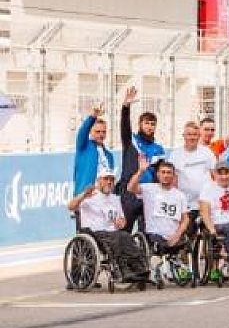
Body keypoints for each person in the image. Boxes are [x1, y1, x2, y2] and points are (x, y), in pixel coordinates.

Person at [66, 167, 150, 284]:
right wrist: (83, 195)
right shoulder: (90, 196)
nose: (109, 182)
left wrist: (121, 222)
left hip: (112, 232)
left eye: (111, 180)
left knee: (126, 236)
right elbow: (70, 206)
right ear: (99, 181)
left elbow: (122, 220)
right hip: (94, 232)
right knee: (117, 237)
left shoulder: (115, 199)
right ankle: (123, 269)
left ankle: (138, 268)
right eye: (106, 179)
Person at [127, 156, 191, 283]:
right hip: (154, 234)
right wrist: (140, 171)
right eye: (163, 172)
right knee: (157, 245)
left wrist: (177, 235)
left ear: (173, 175)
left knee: (185, 242)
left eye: (169, 173)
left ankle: (176, 264)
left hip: (174, 235)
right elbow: (130, 188)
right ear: (158, 174)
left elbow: (185, 219)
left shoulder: (180, 195)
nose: (166, 175)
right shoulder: (149, 189)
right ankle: (156, 266)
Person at [118, 86, 166, 229]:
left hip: (149, 193)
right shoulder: (131, 140)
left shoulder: (158, 149)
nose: (150, 127)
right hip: (130, 191)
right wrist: (126, 107)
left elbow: (160, 174)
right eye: (146, 123)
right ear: (140, 124)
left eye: (153, 124)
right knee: (124, 231)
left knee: (147, 232)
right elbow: (124, 126)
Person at [169, 121, 217, 214]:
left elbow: (215, 175)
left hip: (206, 203)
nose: (192, 137)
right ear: (184, 136)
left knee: (209, 229)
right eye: (189, 134)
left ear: (199, 136)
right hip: (186, 204)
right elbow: (173, 181)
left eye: (195, 134)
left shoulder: (207, 152)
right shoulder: (175, 155)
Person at [72, 102, 117, 197]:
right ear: (90, 132)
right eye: (97, 132)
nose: (101, 134)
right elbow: (83, 131)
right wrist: (93, 117)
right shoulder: (83, 146)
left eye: (103, 132)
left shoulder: (109, 155)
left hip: (103, 199)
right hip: (86, 198)